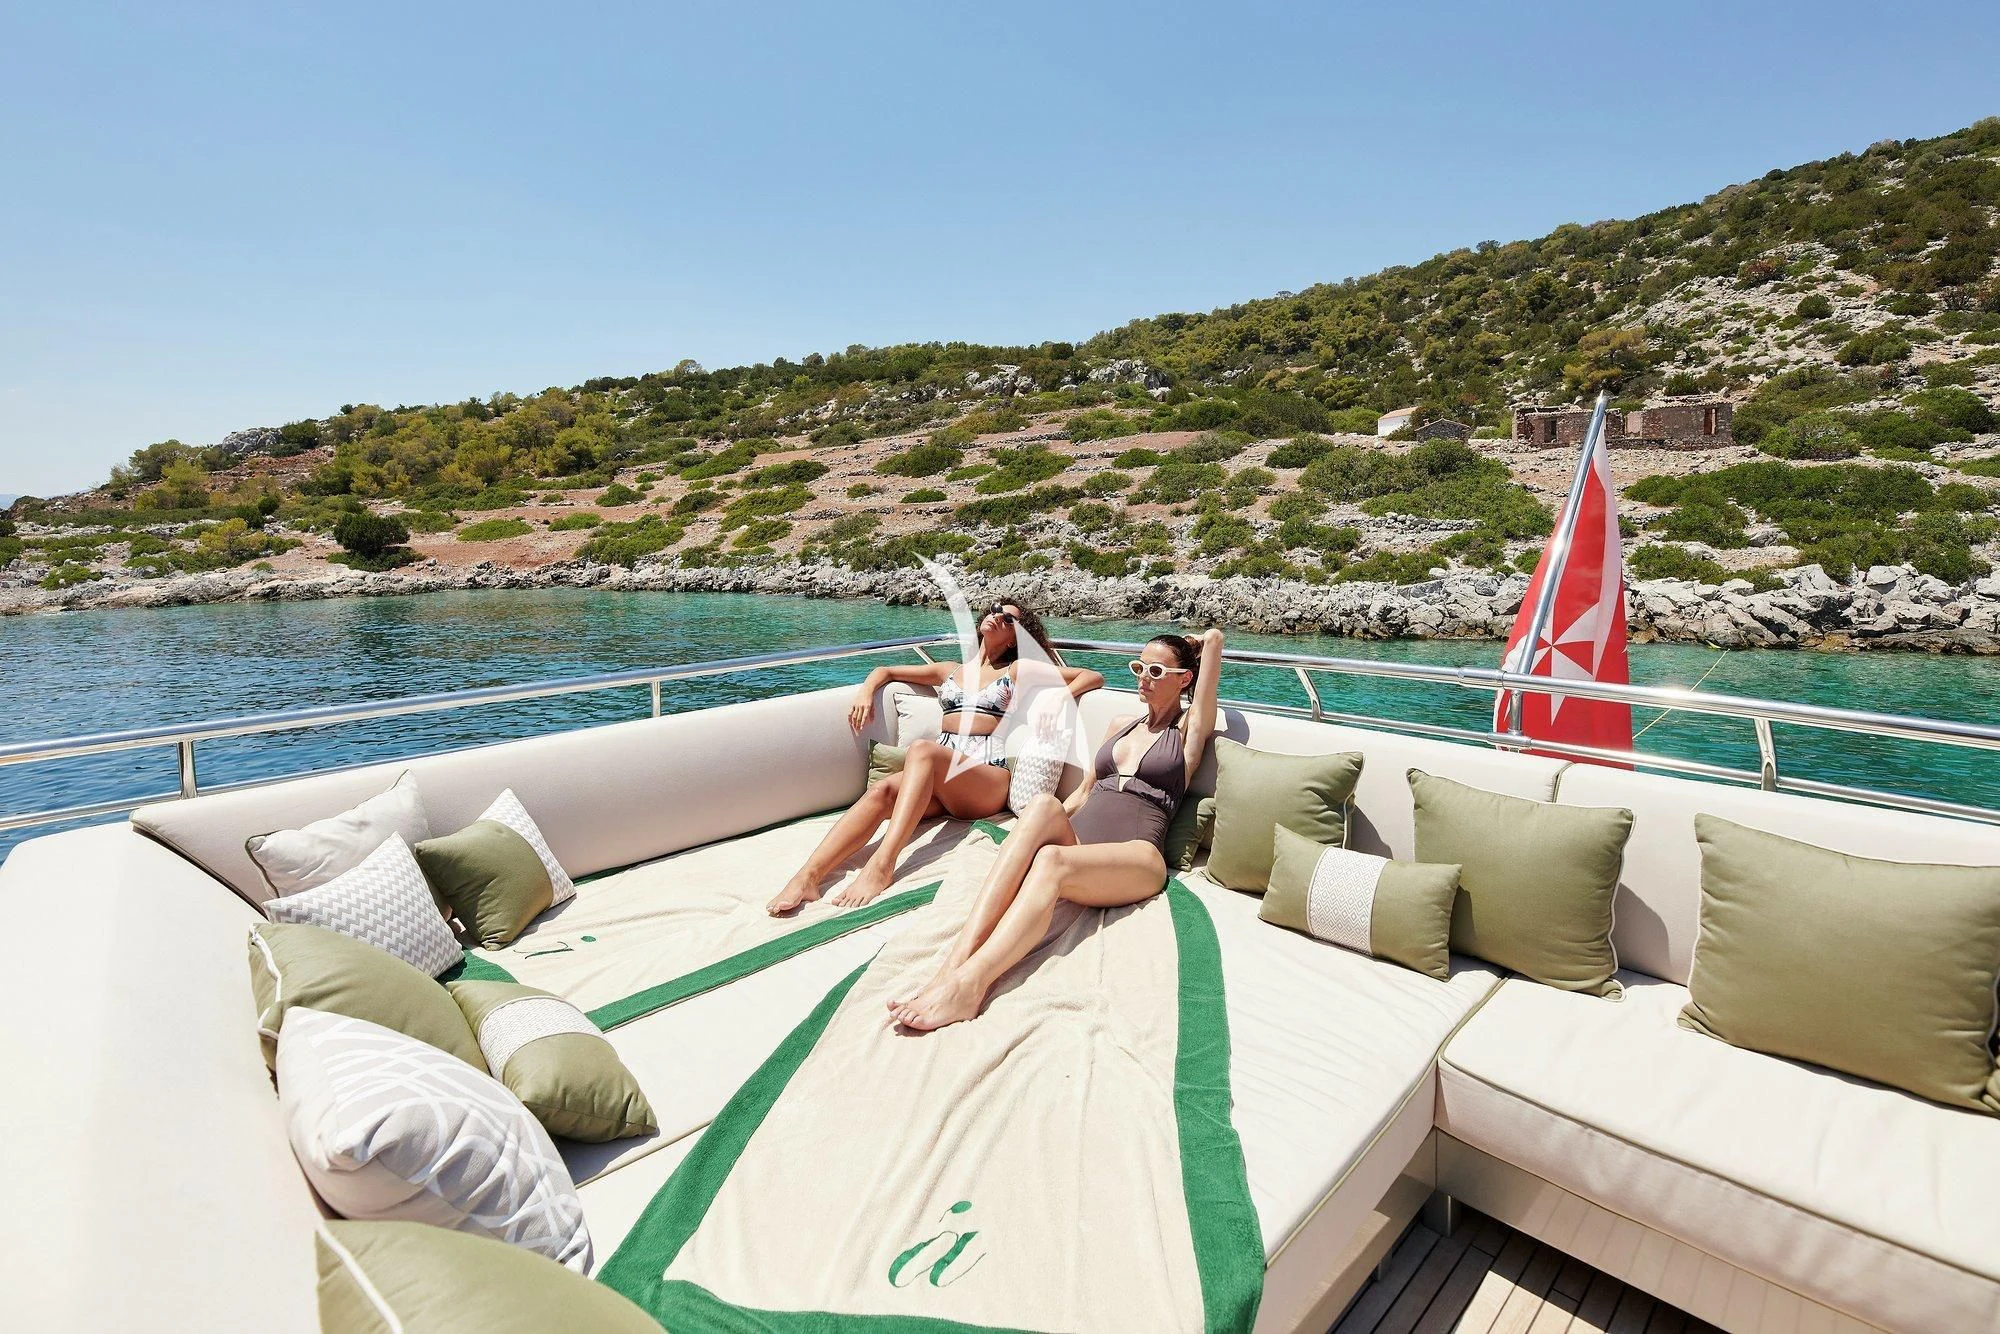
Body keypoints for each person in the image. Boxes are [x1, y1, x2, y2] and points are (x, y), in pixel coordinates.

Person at [889, 627, 1225, 1031]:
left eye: (1156, 671)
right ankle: (951, 966)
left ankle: (971, 984)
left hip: (1137, 855)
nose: (1143, 679)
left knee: (1050, 860)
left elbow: (1208, 688)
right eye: (1139, 668)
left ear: (1184, 679)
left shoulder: (1187, 732)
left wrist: (1211, 642)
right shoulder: (1120, 723)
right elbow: (1083, 792)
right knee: (1044, 806)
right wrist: (1036, 826)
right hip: (1081, 843)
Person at [766, 600, 1105, 915]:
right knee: (881, 792)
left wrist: (1063, 697)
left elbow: (1093, 676)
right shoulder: (949, 670)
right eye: (994, 608)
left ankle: (883, 864)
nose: (997, 614)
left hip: (986, 779)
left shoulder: (1017, 670)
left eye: (1008, 617)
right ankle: (808, 878)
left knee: (924, 751)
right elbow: (885, 671)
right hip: (943, 784)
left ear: (1015, 637)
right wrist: (867, 692)